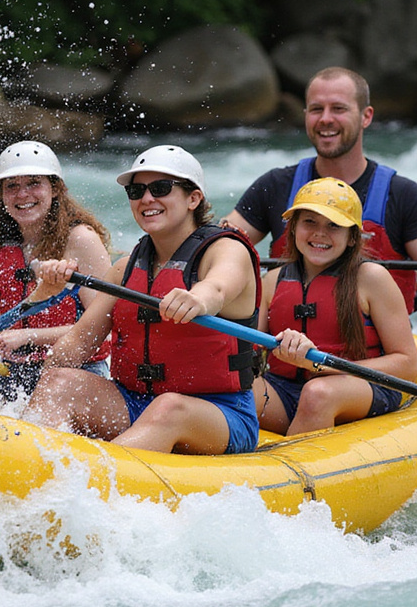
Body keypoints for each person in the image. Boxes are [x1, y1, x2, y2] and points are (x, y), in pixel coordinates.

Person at [23, 145, 261, 455]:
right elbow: (77, 344)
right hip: (135, 401)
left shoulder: (226, 250)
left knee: (168, 408)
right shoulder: (124, 268)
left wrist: (197, 300)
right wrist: (46, 294)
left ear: (193, 198)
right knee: (59, 383)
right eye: (137, 191)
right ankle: (26, 463)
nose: (147, 199)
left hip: (221, 414)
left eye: (161, 188)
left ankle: (86, 481)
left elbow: (217, 288)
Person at [221, 66, 417, 311]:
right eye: (316, 109)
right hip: (286, 342)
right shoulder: (274, 185)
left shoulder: (403, 194)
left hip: (377, 343)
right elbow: (221, 246)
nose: (325, 118)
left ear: (366, 116)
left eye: (338, 108)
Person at [253, 178, 417, 436]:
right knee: (238, 390)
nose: (320, 233)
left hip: (360, 386)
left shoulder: (371, 278)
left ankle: (292, 469)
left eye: (334, 225)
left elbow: (408, 364)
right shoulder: (273, 280)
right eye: (310, 221)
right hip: (284, 389)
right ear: (293, 228)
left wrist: (321, 365)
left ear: (352, 237)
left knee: (317, 393)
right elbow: (249, 351)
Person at [0, 141, 112, 402]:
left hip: (76, 372)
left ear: (56, 189)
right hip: (12, 373)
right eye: (12, 186)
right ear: (2, 195)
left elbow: (101, 326)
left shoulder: (81, 240)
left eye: (34, 183)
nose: (22, 194)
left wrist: (31, 336)